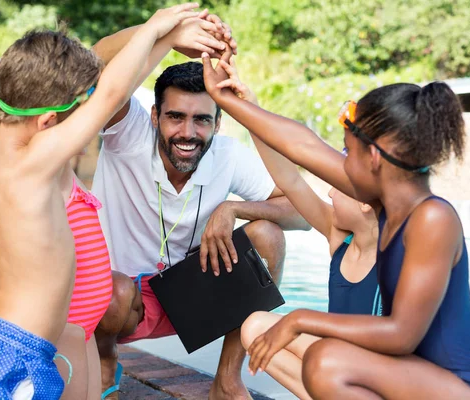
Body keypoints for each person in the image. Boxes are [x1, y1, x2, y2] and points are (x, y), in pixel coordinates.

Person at [202, 53, 470, 399]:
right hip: (418, 381)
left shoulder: (432, 218)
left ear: (375, 158)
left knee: (328, 361)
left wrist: (299, 319)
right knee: (326, 359)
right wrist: (225, 100)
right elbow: (302, 146)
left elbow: (402, 335)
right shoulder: (389, 205)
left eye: (348, 153)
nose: (341, 166)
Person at [0, 4, 204, 398]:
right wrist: (159, 29)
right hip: (20, 353)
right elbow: (113, 92)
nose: (91, 115)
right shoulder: (32, 165)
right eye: (81, 109)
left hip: (50, 337)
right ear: (50, 122)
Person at [90, 38, 309, 400]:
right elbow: (92, 65)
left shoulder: (227, 155)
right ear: (155, 115)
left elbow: (302, 213)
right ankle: (104, 362)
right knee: (114, 290)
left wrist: (234, 209)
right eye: (175, 116)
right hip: (119, 301)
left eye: (201, 120)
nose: (188, 133)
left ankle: (225, 380)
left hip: (189, 296)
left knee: (267, 235)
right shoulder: (128, 133)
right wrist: (165, 31)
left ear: (218, 123)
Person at [209, 57, 381, 399]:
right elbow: (288, 177)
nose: (330, 191)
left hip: (379, 378)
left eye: (339, 187)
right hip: (339, 369)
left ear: (366, 200)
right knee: (256, 327)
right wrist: (248, 108)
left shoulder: (398, 249)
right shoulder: (340, 238)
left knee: (328, 355)